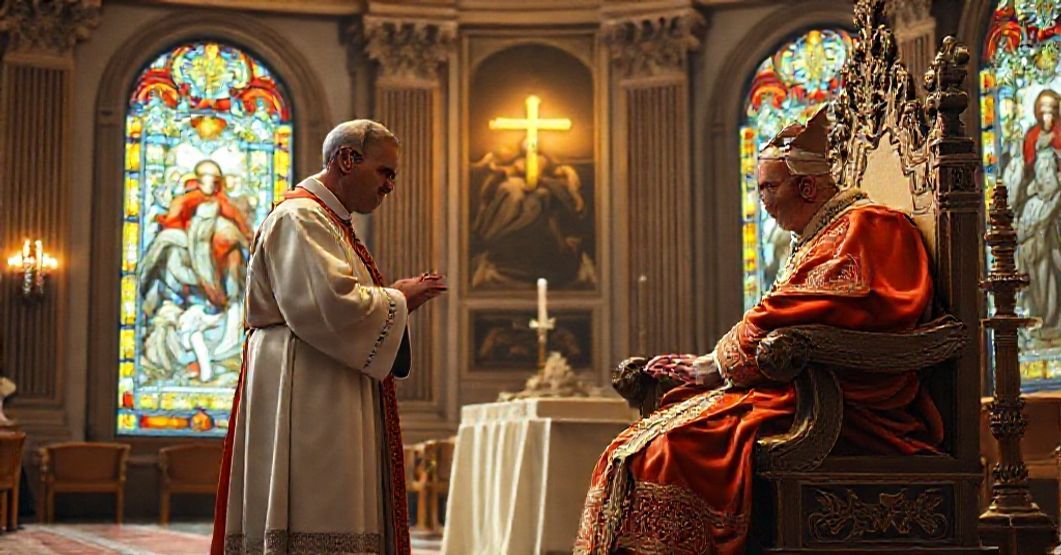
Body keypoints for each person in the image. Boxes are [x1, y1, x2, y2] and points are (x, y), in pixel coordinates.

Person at [574, 108, 943, 554]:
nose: (762, 199)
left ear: (806, 188)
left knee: (675, 449)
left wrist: (718, 363)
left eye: (768, 187)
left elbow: (820, 307)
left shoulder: (871, 226)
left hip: (846, 405)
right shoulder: (824, 233)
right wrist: (717, 364)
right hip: (794, 389)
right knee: (642, 441)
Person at [211, 120, 447, 555]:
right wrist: (399, 298)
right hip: (303, 384)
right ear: (346, 160)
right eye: (385, 172)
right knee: (311, 512)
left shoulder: (329, 221)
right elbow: (329, 304)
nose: (390, 186)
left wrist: (392, 301)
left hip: (323, 377)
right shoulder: (301, 217)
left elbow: (337, 303)